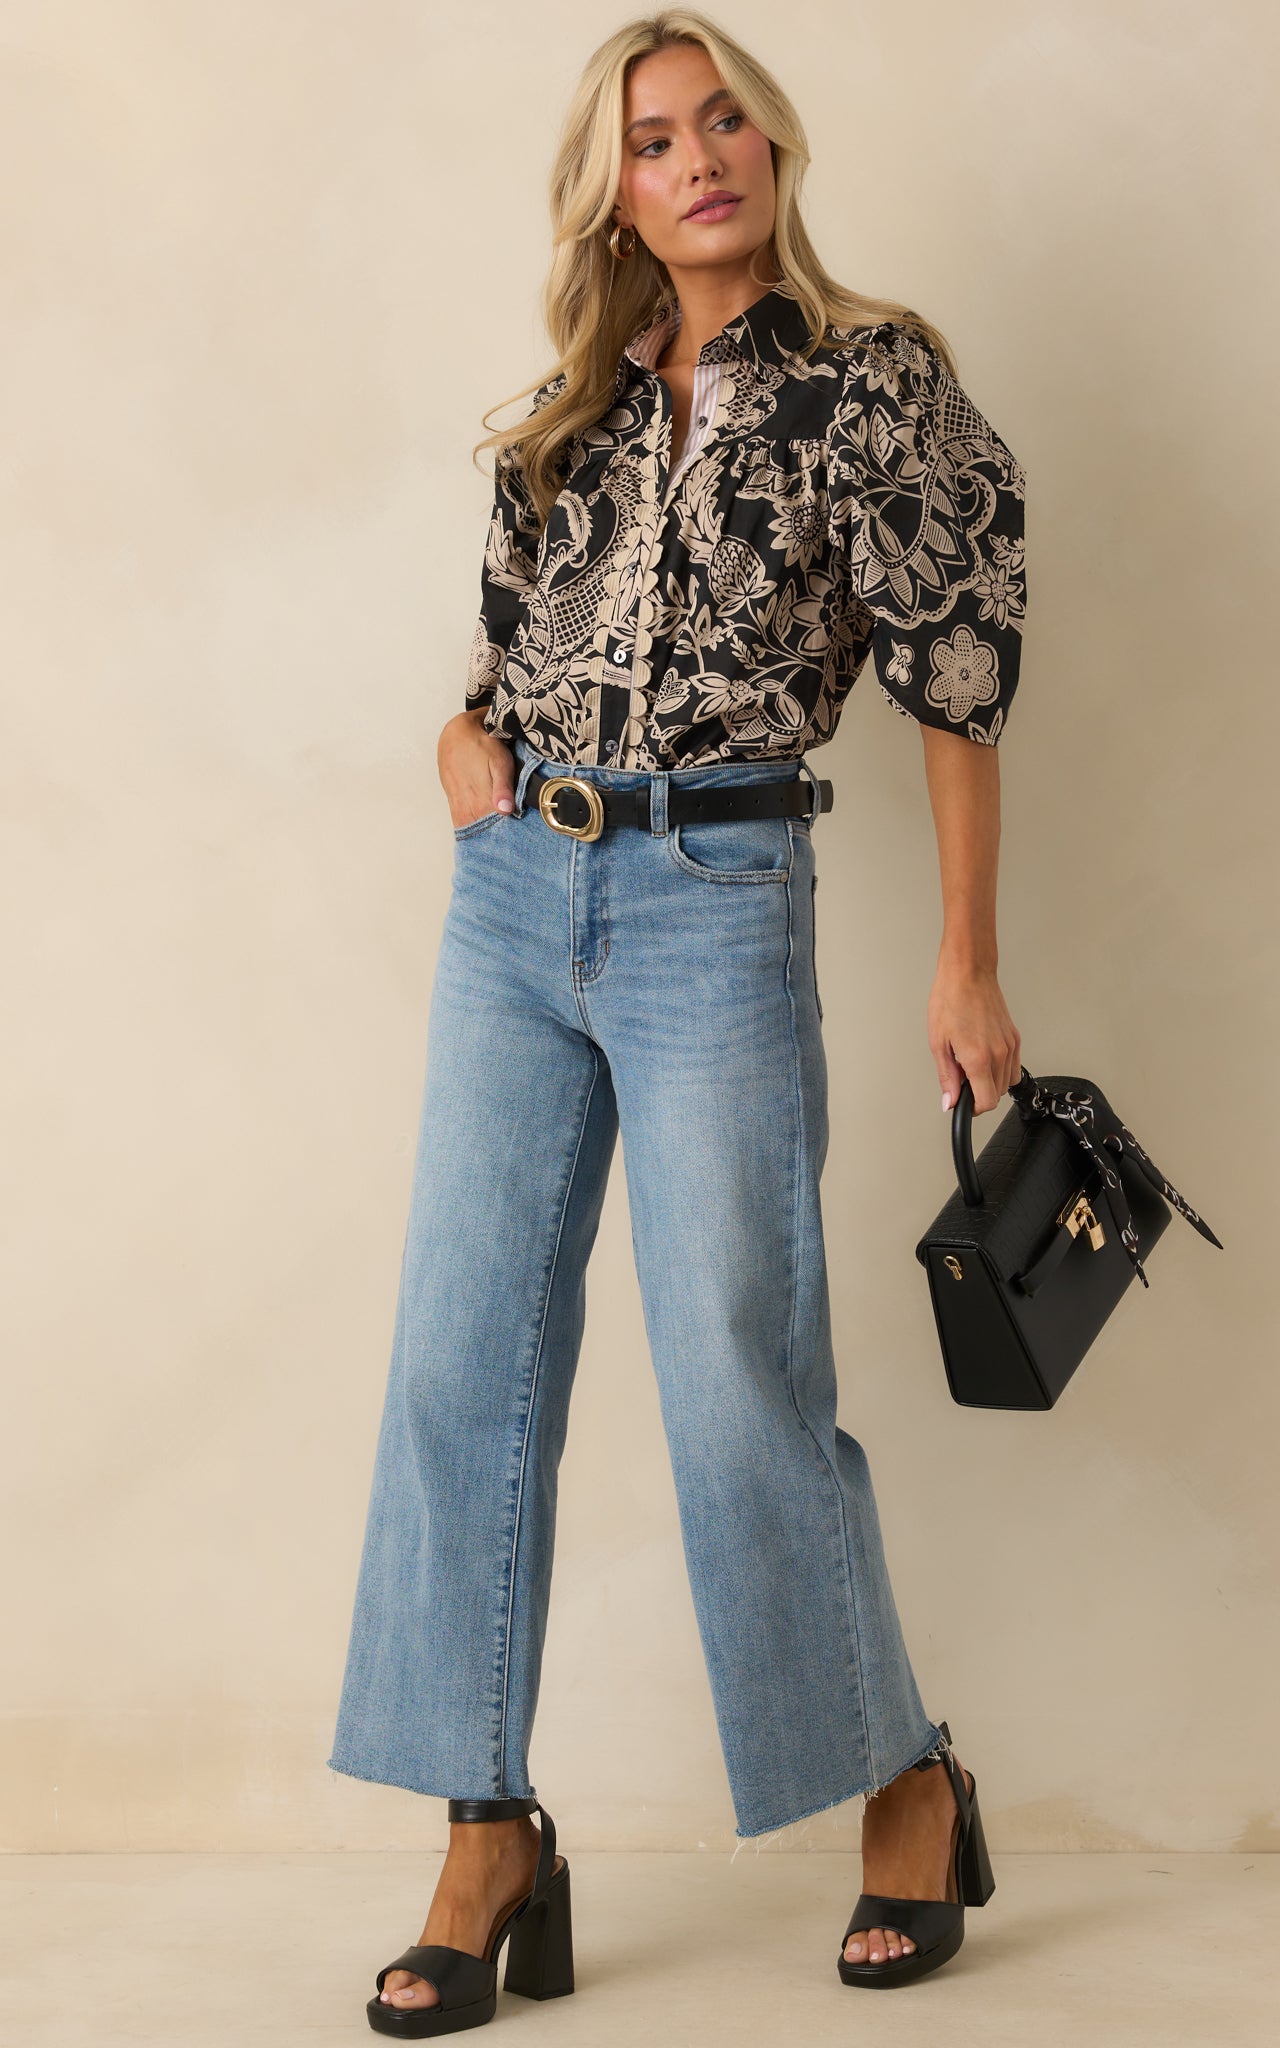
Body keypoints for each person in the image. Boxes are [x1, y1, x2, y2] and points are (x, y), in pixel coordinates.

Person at [329, 10, 1025, 2033]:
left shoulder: (873, 379)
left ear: (768, 143)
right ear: (614, 192)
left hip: (719, 890)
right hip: (513, 897)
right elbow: (485, 656)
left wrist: (963, 955)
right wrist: (465, 758)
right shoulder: (570, 410)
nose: (698, 154)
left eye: (719, 115)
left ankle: (904, 1780)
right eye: (652, 137)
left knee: (733, 1363)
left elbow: (957, 676)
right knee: (462, 1359)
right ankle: (486, 1827)